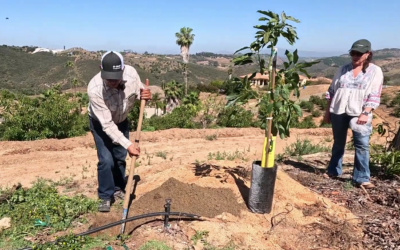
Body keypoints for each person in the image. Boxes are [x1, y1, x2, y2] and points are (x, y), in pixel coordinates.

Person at [87, 51, 151, 212]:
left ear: (123, 70)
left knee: (120, 157)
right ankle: (105, 196)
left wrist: (145, 94)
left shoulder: (131, 73)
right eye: (108, 78)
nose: (113, 81)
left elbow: (139, 90)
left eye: (116, 77)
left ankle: (118, 188)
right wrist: (129, 144)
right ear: (101, 70)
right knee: (106, 160)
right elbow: (107, 125)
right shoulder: (94, 89)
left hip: (122, 121)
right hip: (101, 124)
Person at [324, 39, 383, 189]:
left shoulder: (375, 71)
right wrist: (327, 112)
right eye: (353, 53)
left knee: (362, 144)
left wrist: (366, 112)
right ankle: (333, 170)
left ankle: (362, 177)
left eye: (359, 53)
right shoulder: (343, 69)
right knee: (338, 142)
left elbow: (375, 94)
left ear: (368, 54)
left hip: (360, 112)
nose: (355, 56)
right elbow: (332, 91)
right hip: (338, 110)